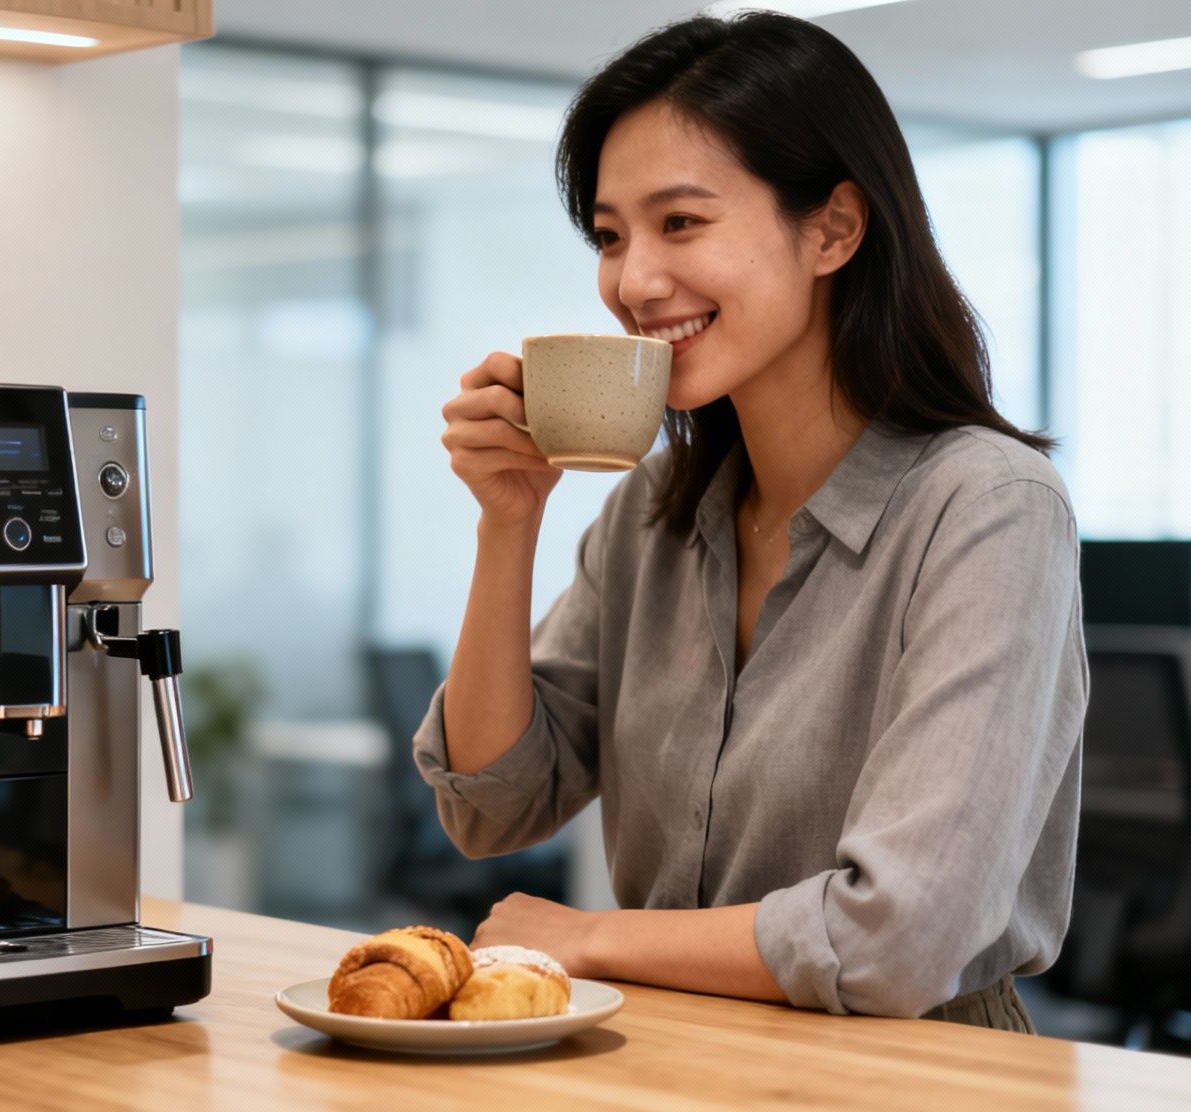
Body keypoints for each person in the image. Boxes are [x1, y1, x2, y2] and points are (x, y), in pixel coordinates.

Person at [416, 12, 1086, 1031]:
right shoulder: (653, 510)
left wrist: (588, 937)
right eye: (608, 235)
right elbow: (490, 806)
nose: (631, 282)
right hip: (678, 1072)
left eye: (679, 223)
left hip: (921, 1093)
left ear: (831, 229)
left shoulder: (984, 509)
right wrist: (506, 524)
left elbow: (898, 938)